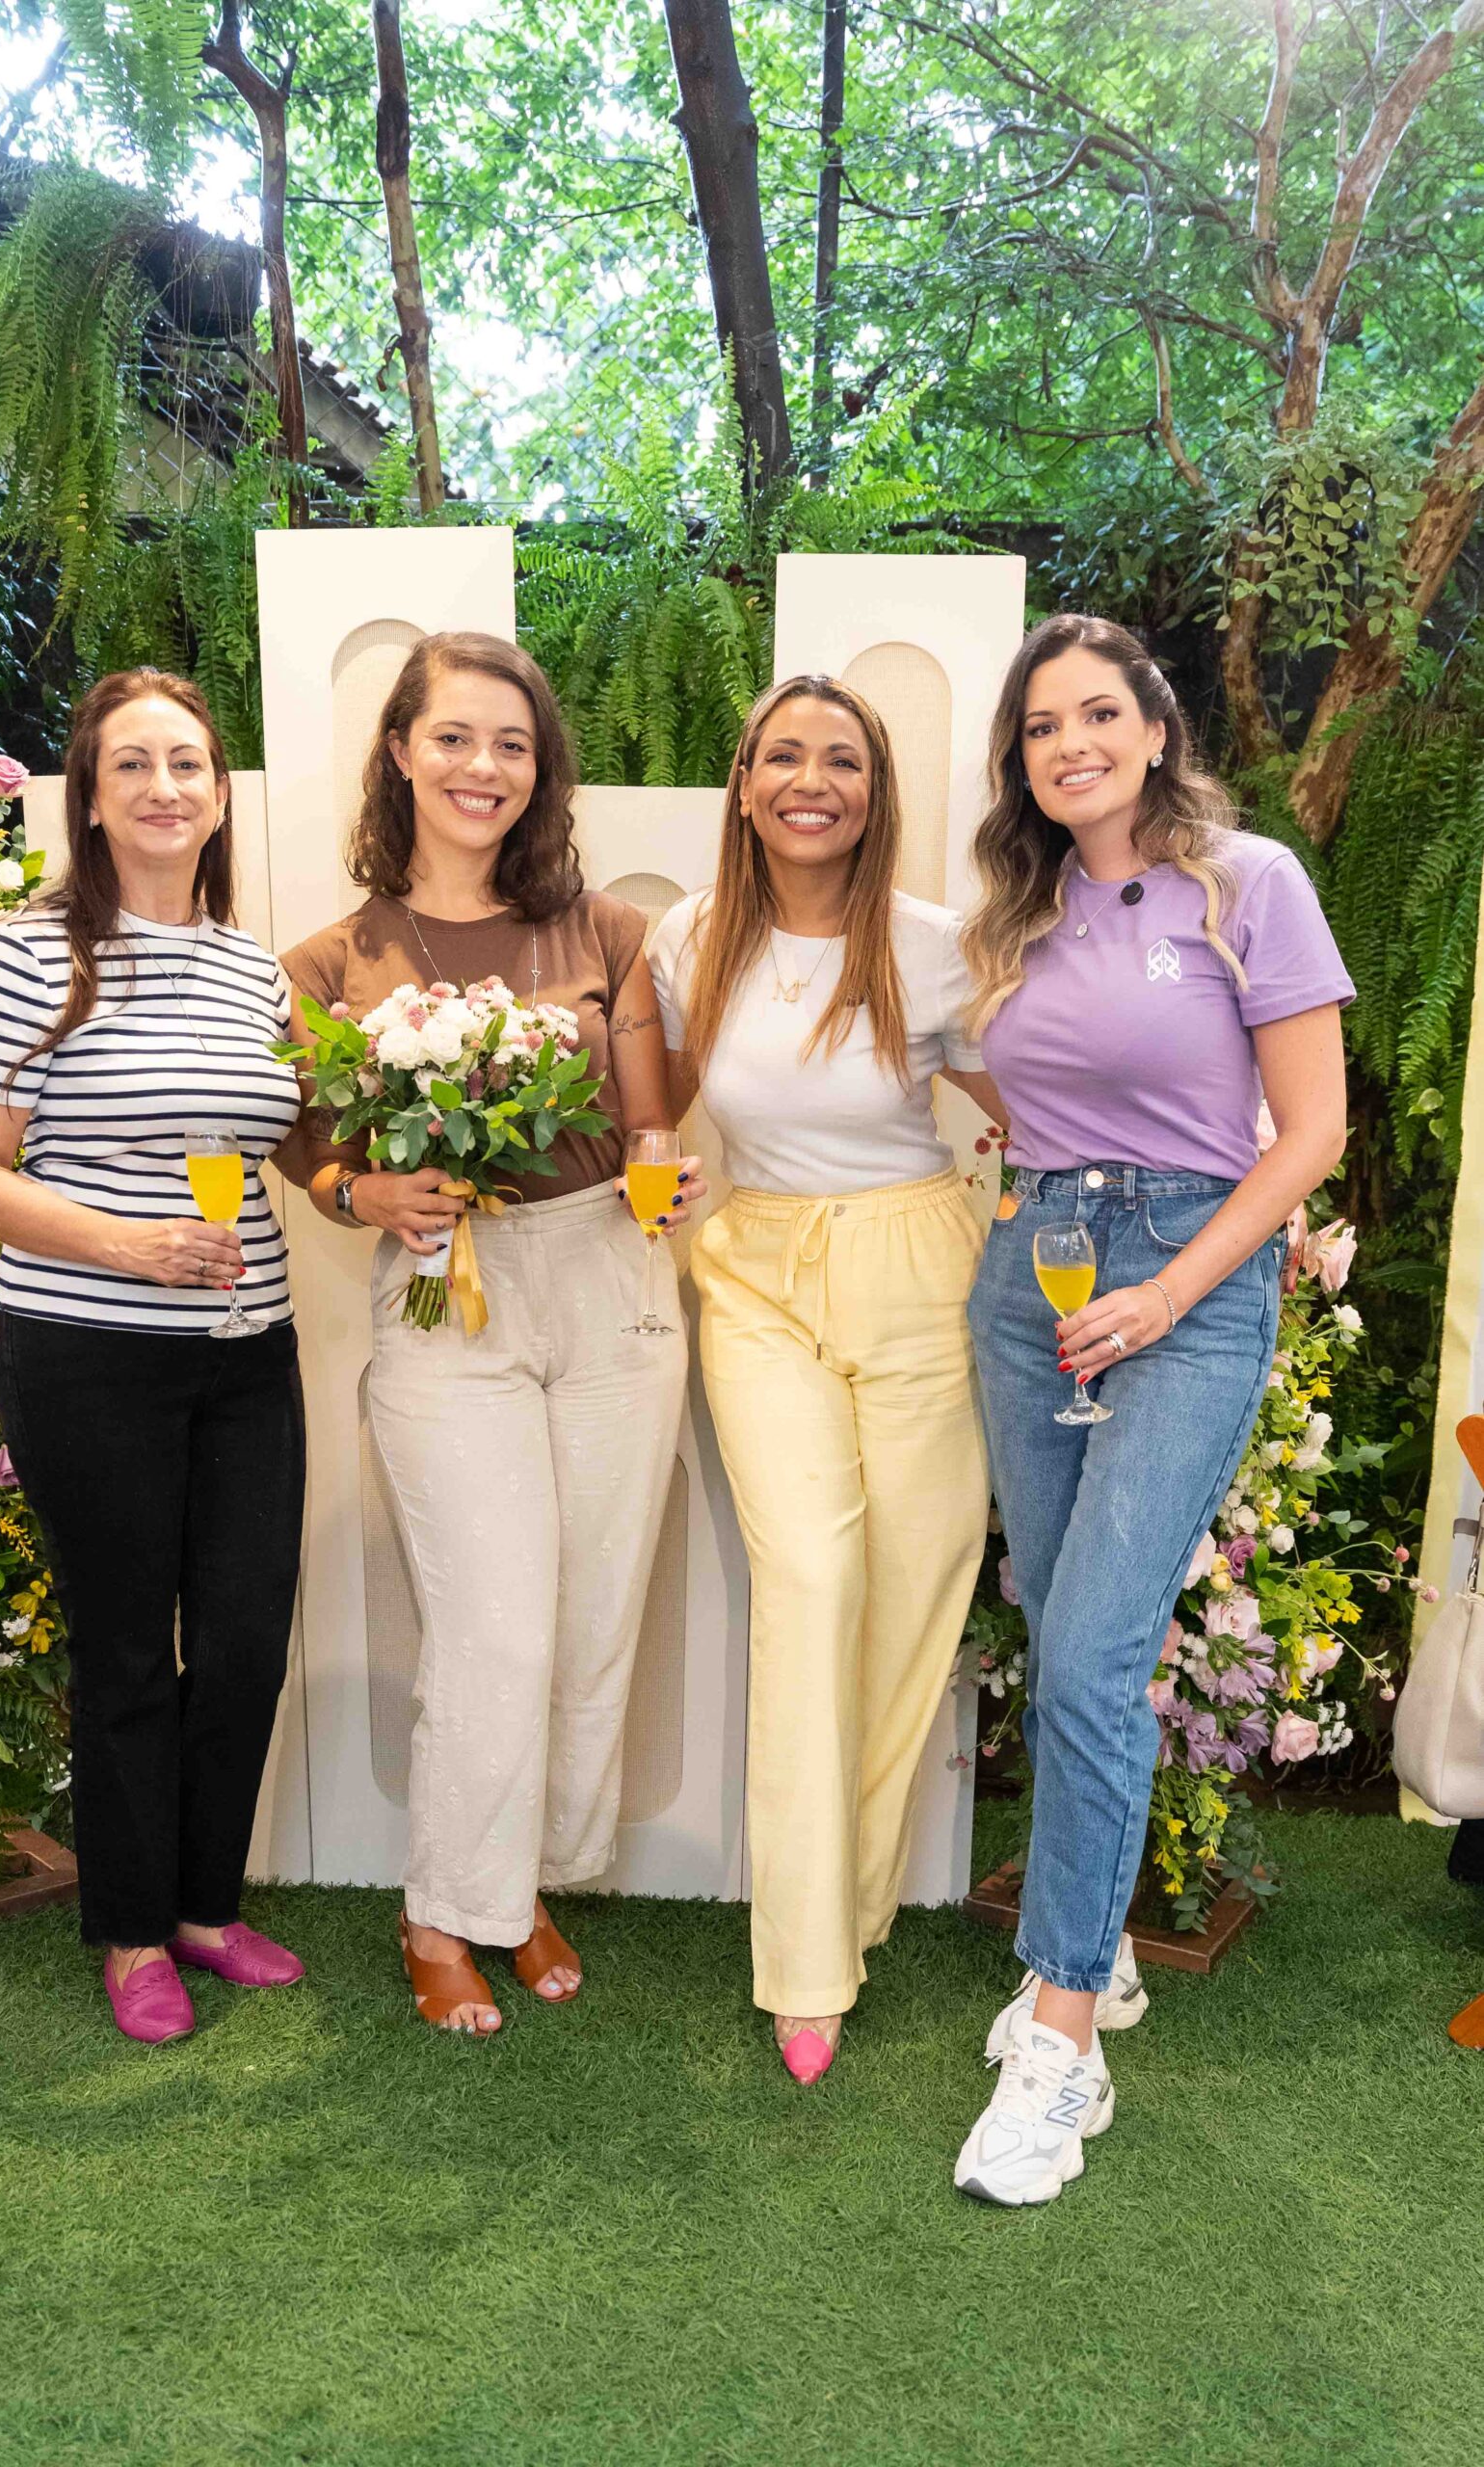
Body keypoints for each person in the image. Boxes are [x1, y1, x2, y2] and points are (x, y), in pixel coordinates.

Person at [954, 612, 1352, 2204]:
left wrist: (1170, 1290)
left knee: (1096, 1654)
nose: (1073, 745)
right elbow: (1011, 1085)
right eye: (1043, 726)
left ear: (1157, 725)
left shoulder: (1249, 883)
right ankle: (1099, 1954)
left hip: (1188, 1290)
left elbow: (1310, 1132)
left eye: (1098, 714)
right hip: (1034, 1277)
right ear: (1021, 759)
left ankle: (1062, 2040)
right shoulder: (1019, 909)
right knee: (1062, 1633)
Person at [282, 630, 699, 2037]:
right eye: (454, 737)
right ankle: (440, 1912)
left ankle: (521, 1886)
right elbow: (302, 1143)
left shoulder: (608, 933)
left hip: (609, 1274)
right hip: (440, 1290)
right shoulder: (330, 961)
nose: (483, 766)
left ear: (542, 770)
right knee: (494, 1627)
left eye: (512, 744)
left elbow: (650, 1115)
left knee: (592, 1615)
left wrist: (667, 1168)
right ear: (401, 752)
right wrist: (362, 1192)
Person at [0, 668, 307, 2047]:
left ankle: (206, 1906)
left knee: (248, 1642)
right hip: (84, 1352)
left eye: (187, 764)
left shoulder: (251, 965)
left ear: (220, 794)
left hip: (249, 1353)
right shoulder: (33, 953)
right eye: (132, 764)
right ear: (88, 798)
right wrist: (126, 1246)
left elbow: (289, 1141)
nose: (163, 787)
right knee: (130, 1650)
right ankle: (135, 1930)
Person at [649, 674, 997, 2085]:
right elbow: (650, 1114)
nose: (812, 781)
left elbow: (1040, 1110)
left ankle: (849, 1906)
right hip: (757, 1277)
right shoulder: (690, 938)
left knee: (912, 1599)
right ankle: (803, 1965)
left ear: (875, 791)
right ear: (744, 787)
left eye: (842, 760)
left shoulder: (940, 948)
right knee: (809, 1582)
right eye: (784, 757)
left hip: (923, 1271)